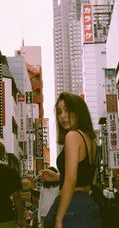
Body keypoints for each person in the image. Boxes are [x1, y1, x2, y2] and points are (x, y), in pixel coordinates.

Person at [41, 92, 101, 228]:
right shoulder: (90, 140)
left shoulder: (72, 136)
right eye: (59, 112)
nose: (62, 116)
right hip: (88, 206)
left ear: (78, 111)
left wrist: (59, 219)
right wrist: (57, 177)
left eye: (67, 110)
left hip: (72, 208)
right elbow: (85, 177)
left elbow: (71, 180)